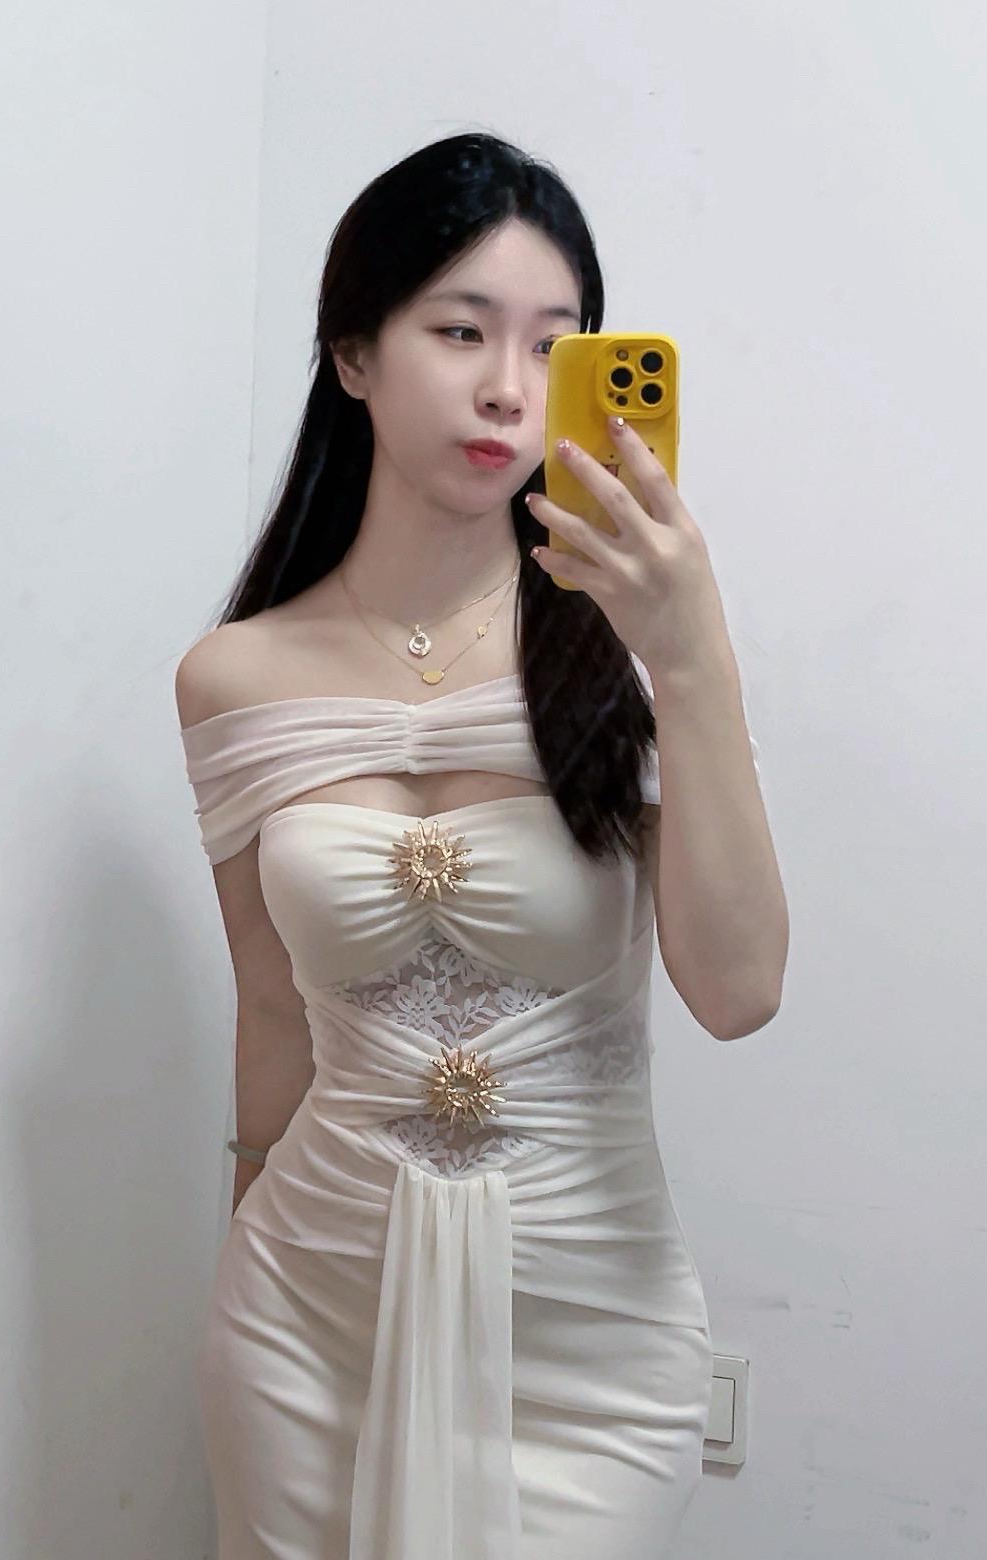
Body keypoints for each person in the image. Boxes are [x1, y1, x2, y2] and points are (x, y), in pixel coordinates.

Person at [175, 130, 787, 1560]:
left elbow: (739, 990)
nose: (510, 386)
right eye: (460, 331)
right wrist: (240, 1248)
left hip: (589, 1329)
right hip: (306, 1310)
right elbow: (271, 1008)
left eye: (552, 345)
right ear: (353, 355)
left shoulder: (627, 655)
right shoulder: (232, 678)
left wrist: (692, 657)